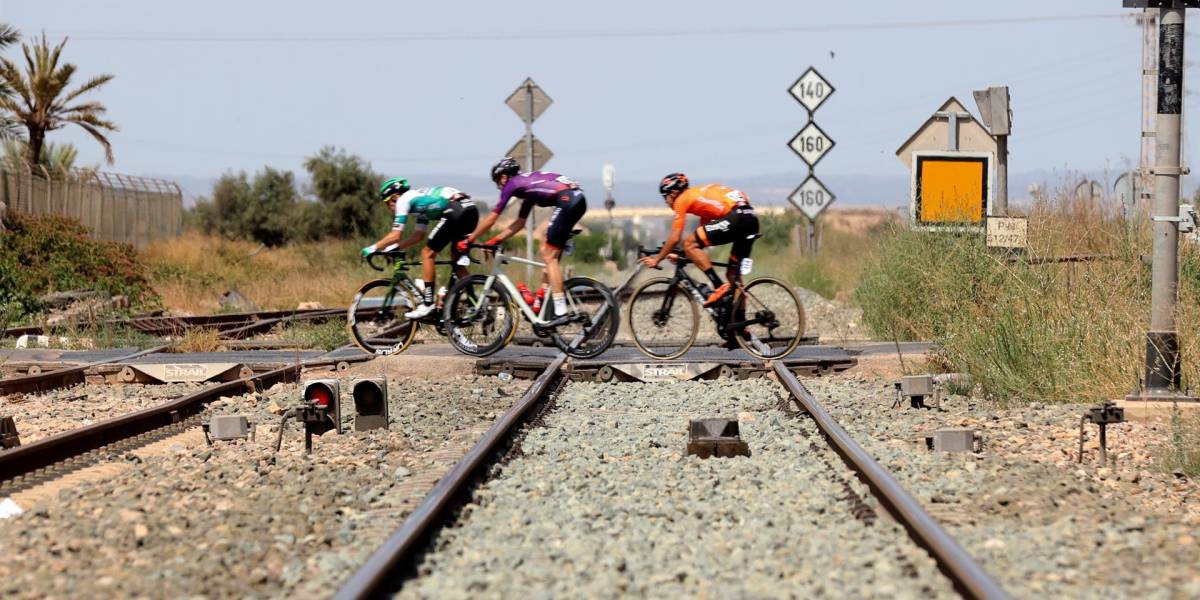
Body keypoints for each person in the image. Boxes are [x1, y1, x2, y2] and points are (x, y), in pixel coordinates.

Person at [459, 157, 587, 327]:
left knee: (549, 256)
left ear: (504, 177)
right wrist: (495, 240)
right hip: (577, 200)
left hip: (567, 200)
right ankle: (542, 297)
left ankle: (560, 312)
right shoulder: (527, 189)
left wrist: (470, 239)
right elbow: (519, 224)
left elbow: (491, 219)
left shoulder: (513, 184)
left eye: (497, 181)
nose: (498, 186)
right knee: (548, 251)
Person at [361, 177, 478, 319]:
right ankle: (476, 306)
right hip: (470, 210)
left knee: (427, 253)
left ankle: (428, 304)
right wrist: (395, 248)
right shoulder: (419, 202)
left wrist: (372, 248)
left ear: (395, 197)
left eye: (387, 203)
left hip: (455, 209)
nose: (388, 207)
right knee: (457, 262)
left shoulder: (403, 200)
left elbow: (395, 235)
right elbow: (418, 236)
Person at [639, 172, 759, 307]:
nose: (666, 202)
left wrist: (657, 259)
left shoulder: (681, 199)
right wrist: (683, 254)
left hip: (737, 217)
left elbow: (675, 238)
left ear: (673, 192)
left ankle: (718, 286)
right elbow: (700, 242)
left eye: (665, 197)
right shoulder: (700, 198)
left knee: (689, 244)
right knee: (733, 276)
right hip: (751, 219)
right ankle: (739, 323)